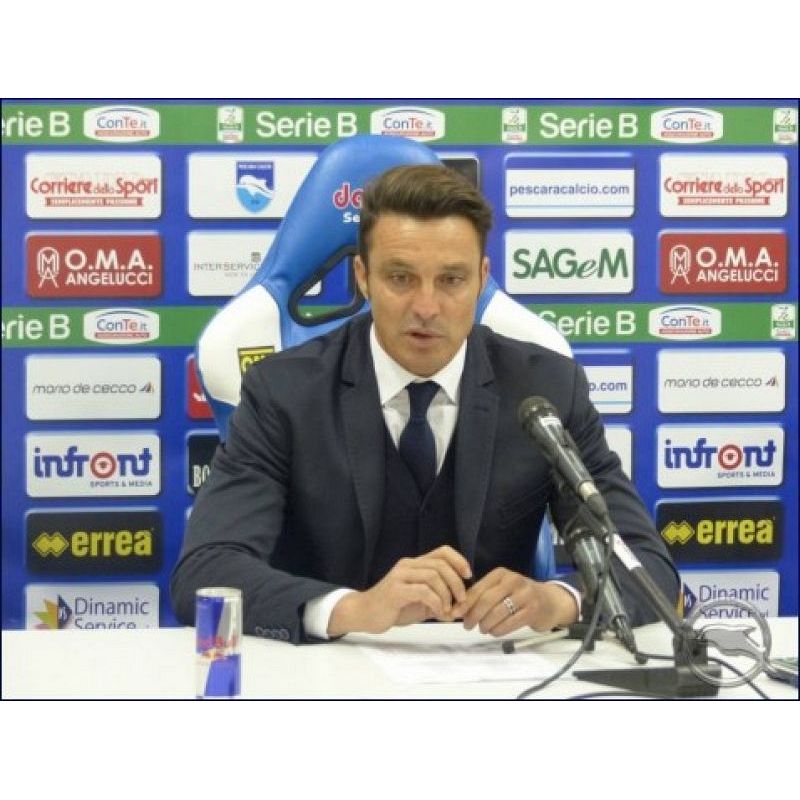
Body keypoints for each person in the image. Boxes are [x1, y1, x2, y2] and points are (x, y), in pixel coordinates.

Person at [171, 165, 680, 643]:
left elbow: (646, 565)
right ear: (363, 277)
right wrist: (352, 609)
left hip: (495, 677)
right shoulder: (283, 392)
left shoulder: (546, 389)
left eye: (451, 280)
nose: (427, 307)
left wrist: (558, 601)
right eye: (400, 278)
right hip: (330, 678)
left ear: (481, 278)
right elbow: (204, 573)